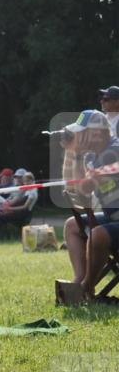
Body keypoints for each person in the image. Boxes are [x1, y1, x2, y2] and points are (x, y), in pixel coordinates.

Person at [58, 110, 119, 296]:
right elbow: (78, 188)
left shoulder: (115, 150)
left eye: (82, 132)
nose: (78, 136)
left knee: (98, 234)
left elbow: (86, 186)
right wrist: (76, 155)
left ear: (96, 132)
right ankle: (79, 279)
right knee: (72, 225)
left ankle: (86, 286)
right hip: (112, 216)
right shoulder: (90, 157)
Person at [0, 170, 38, 241]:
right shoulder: (28, 190)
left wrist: (9, 209)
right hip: (18, 212)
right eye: (25, 181)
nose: (26, 183)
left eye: (28, 181)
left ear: (32, 181)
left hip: (23, 214)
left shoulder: (32, 192)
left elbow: (25, 207)